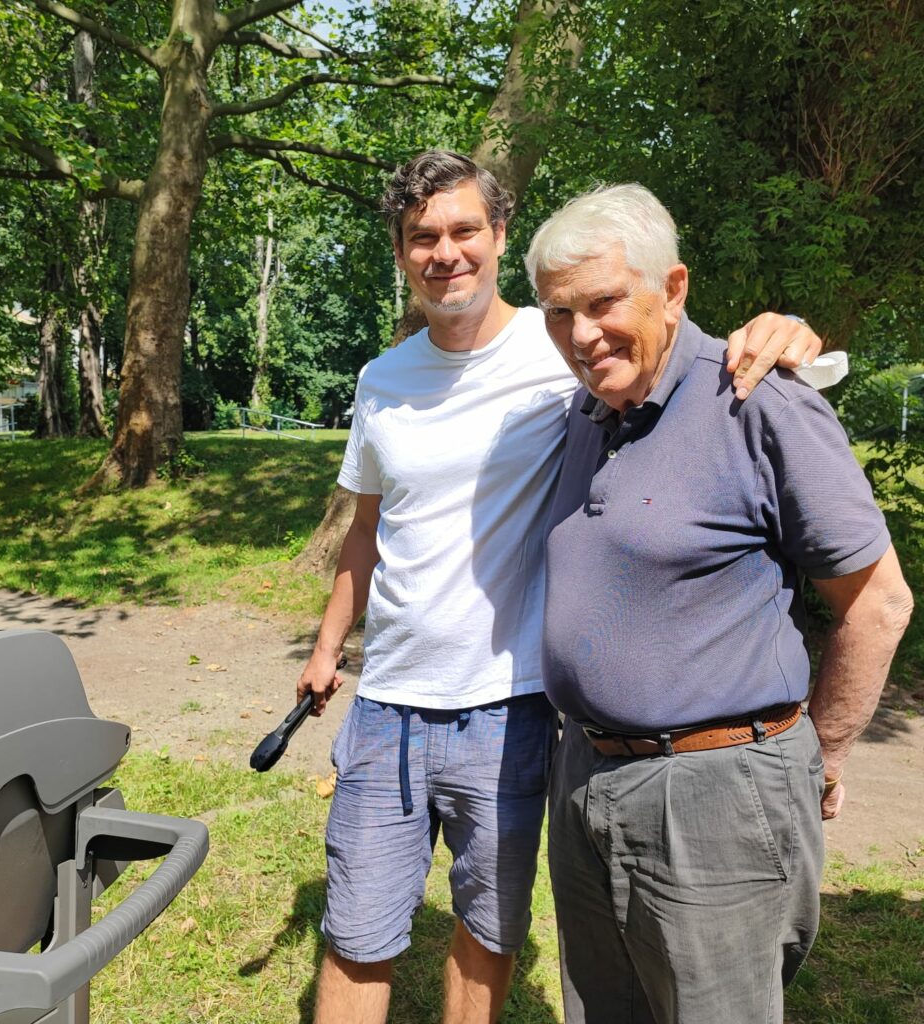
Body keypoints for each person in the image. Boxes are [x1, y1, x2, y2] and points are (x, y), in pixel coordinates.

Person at [297, 151, 823, 1024]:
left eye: (465, 229)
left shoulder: (568, 351)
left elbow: (669, 348)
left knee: (488, 926)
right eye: (422, 237)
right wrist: (325, 652)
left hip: (511, 707)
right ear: (400, 254)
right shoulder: (381, 380)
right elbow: (366, 527)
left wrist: (781, 328)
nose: (446, 252)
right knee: (356, 932)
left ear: (499, 235)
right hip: (387, 701)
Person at [529, 183, 914, 1024]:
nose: (581, 334)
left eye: (602, 303)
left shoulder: (759, 397)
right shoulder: (589, 409)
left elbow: (879, 601)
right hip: (588, 776)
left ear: (673, 289)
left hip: (712, 794)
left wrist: (829, 752)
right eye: (559, 313)